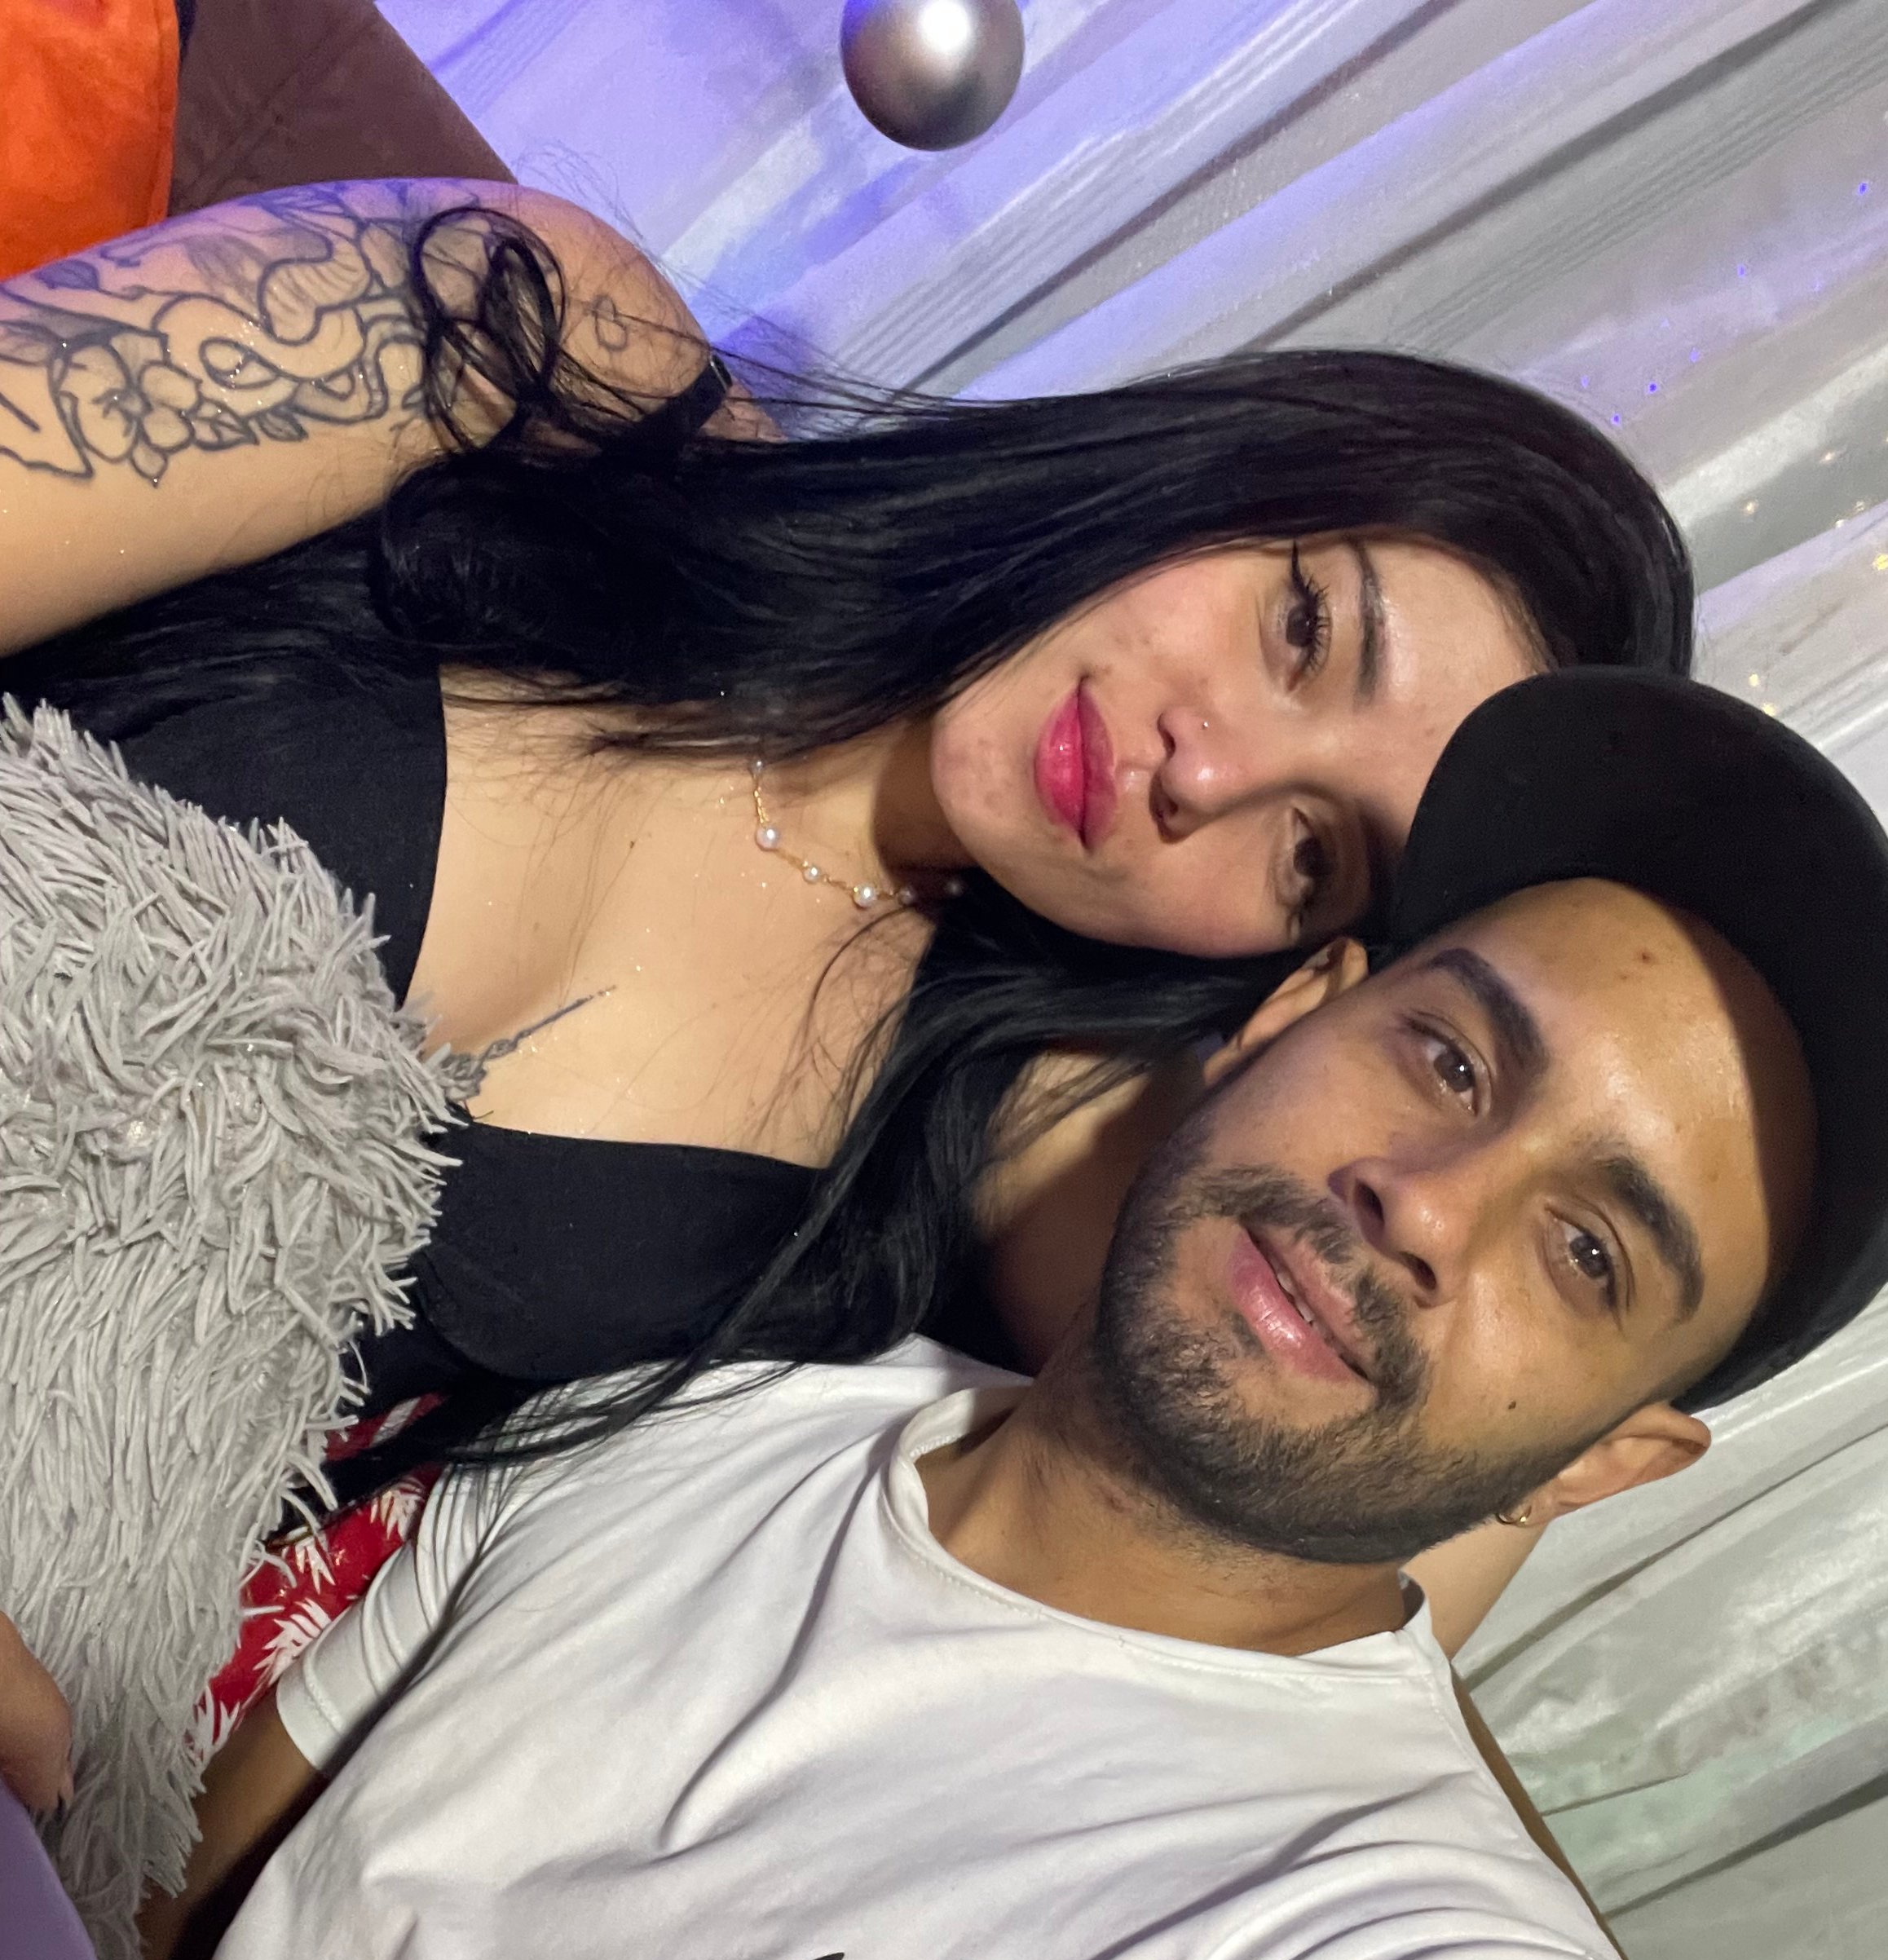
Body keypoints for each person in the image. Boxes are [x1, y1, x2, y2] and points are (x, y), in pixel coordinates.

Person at [11, 671, 1886, 1960]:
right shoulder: (714, 1407)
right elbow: (139, 1948)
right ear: (1292, 1014)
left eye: (1585, 1250)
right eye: (1452, 1060)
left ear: (1602, 1459)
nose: (1427, 1200)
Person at [0, 176, 1691, 1814]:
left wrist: (1587, 1381)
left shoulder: (993, 1108)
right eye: (1304, 628)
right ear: (1231, 460)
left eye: (1315, 853)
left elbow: (1310, 1574)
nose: (1208, 771)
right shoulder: (546, 343)